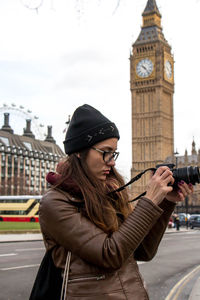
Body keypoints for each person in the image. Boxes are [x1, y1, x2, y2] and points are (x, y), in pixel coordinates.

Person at [39, 104, 193, 300]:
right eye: (105, 152)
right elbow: (110, 254)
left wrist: (164, 202)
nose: (111, 162)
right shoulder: (55, 203)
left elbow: (143, 251)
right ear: (79, 151)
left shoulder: (110, 193)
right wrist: (149, 199)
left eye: (114, 153)